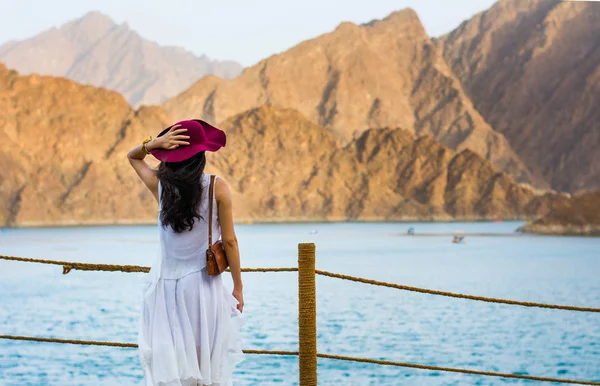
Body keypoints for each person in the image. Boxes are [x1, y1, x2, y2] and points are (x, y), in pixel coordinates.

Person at [127, 119, 245, 386]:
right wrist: (238, 287)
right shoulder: (217, 186)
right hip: (203, 290)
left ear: (170, 155)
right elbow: (230, 242)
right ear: (201, 156)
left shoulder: (162, 187)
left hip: (166, 293)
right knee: (206, 368)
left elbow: (133, 157)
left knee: (176, 370)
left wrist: (152, 145)